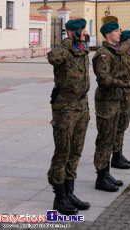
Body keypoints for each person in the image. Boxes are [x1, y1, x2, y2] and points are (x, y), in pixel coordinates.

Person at [47, 18, 90, 216]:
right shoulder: (64, 49)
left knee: (76, 151)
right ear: (73, 32)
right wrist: (67, 41)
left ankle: (70, 192)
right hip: (65, 107)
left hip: (81, 106)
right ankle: (59, 197)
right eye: (82, 31)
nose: (85, 34)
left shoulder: (82, 49)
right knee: (63, 152)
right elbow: (53, 58)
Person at [93, 21, 130, 192]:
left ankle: (106, 174)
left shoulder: (114, 52)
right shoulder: (103, 54)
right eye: (116, 31)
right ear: (107, 34)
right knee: (104, 140)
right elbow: (104, 79)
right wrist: (126, 85)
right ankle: (101, 177)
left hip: (116, 99)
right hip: (106, 102)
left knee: (112, 137)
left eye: (119, 30)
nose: (120, 33)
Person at [111, 30, 130, 170]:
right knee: (120, 126)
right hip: (123, 93)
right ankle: (116, 156)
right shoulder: (119, 53)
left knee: (123, 126)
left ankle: (118, 153)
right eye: (129, 41)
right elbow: (118, 53)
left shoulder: (129, 54)